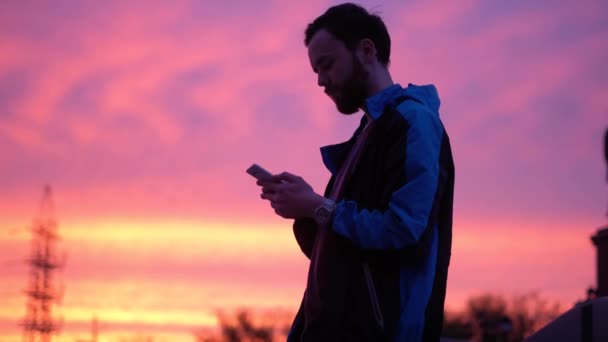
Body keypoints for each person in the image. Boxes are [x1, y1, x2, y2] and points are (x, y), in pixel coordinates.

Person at [257, 3, 455, 341]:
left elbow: (404, 231)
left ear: (365, 51)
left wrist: (319, 206)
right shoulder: (369, 134)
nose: (320, 80)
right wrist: (306, 209)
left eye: (327, 64)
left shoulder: (413, 123)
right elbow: (347, 252)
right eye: (315, 70)